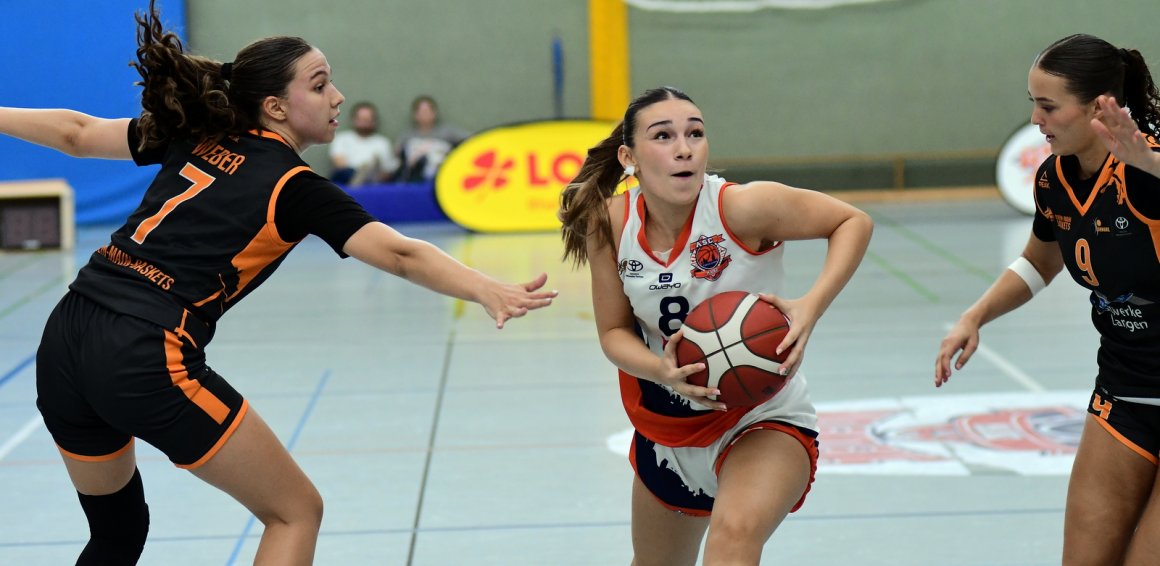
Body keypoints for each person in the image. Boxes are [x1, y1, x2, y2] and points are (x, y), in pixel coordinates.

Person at [0, 2, 557, 564]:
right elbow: (401, 254)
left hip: (67, 335)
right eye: (319, 86)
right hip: (145, 352)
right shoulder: (293, 186)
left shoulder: (195, 134)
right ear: (276, 107)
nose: (337, 96)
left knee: (117, 533)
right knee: (295, 511)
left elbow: (76, 133)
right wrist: (487, 287)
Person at [559, 86, 873, 565]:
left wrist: (810, 306)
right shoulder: (611, 222)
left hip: (761, 418)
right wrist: (661, 370)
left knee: (731, 539)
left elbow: (852, 222)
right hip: (669, 432)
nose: (684, 147)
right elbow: (613, 334)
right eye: (663, 136)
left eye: (695, 133)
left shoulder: (740, 208)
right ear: (630, 157)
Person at [935, 34, 1160, 566]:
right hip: (1124, 392)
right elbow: (1040, 261)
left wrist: (1150, 165)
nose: (1036, 118)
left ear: (1101, 104)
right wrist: (975, 315)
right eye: (1033, 102)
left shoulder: (1146, 167)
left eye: (1048, 105)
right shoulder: (1054, 179)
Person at [393, 95, 468, 182]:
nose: (424, 115)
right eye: (421, 112)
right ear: (415, 114)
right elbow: (397, 154)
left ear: (434, 113)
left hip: (442, 175)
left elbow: (470, 140)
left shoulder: (447, 132)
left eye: (427, 111)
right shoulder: (407, 135)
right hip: (415, 176)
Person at [327, 100, 399, 187]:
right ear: (353, 119)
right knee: (342, 172)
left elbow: (387, 170)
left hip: (374, 180)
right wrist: (357, 173)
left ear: (374, 121)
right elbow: (339, 164)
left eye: (367, 119)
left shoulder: (382, 142)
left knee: (381, 174)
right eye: (361, 118)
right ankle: (360, 177)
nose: (364, 122)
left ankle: (365, 176)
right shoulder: (342, 139)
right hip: (347, 177)